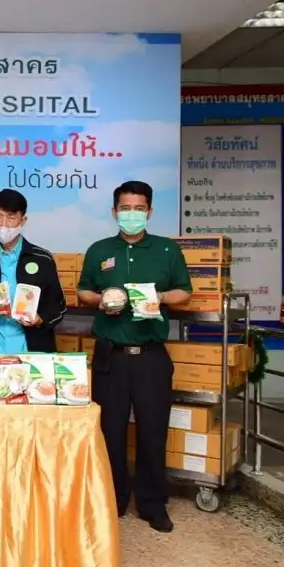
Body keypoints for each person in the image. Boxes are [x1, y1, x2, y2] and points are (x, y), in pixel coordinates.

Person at [76, 180, 192, 533]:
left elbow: (184, 292)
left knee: (152, 431)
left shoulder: (166, 250)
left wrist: (156, 297)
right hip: (110, 355)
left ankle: (152, 503)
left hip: (151, 356)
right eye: (125, 209)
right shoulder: (99, 250)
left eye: (139, 209)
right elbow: (83, 292)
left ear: (150, 212)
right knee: (109, 431)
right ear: (114, 212)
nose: (132, 214)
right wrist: (102, 299)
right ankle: (112, 498)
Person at [0, 189, 66, 355]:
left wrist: (40, 319)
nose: (4, 224)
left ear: (23, 220)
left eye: (11, 217)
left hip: (33, 351)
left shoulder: (43, 259)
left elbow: (58, 305)